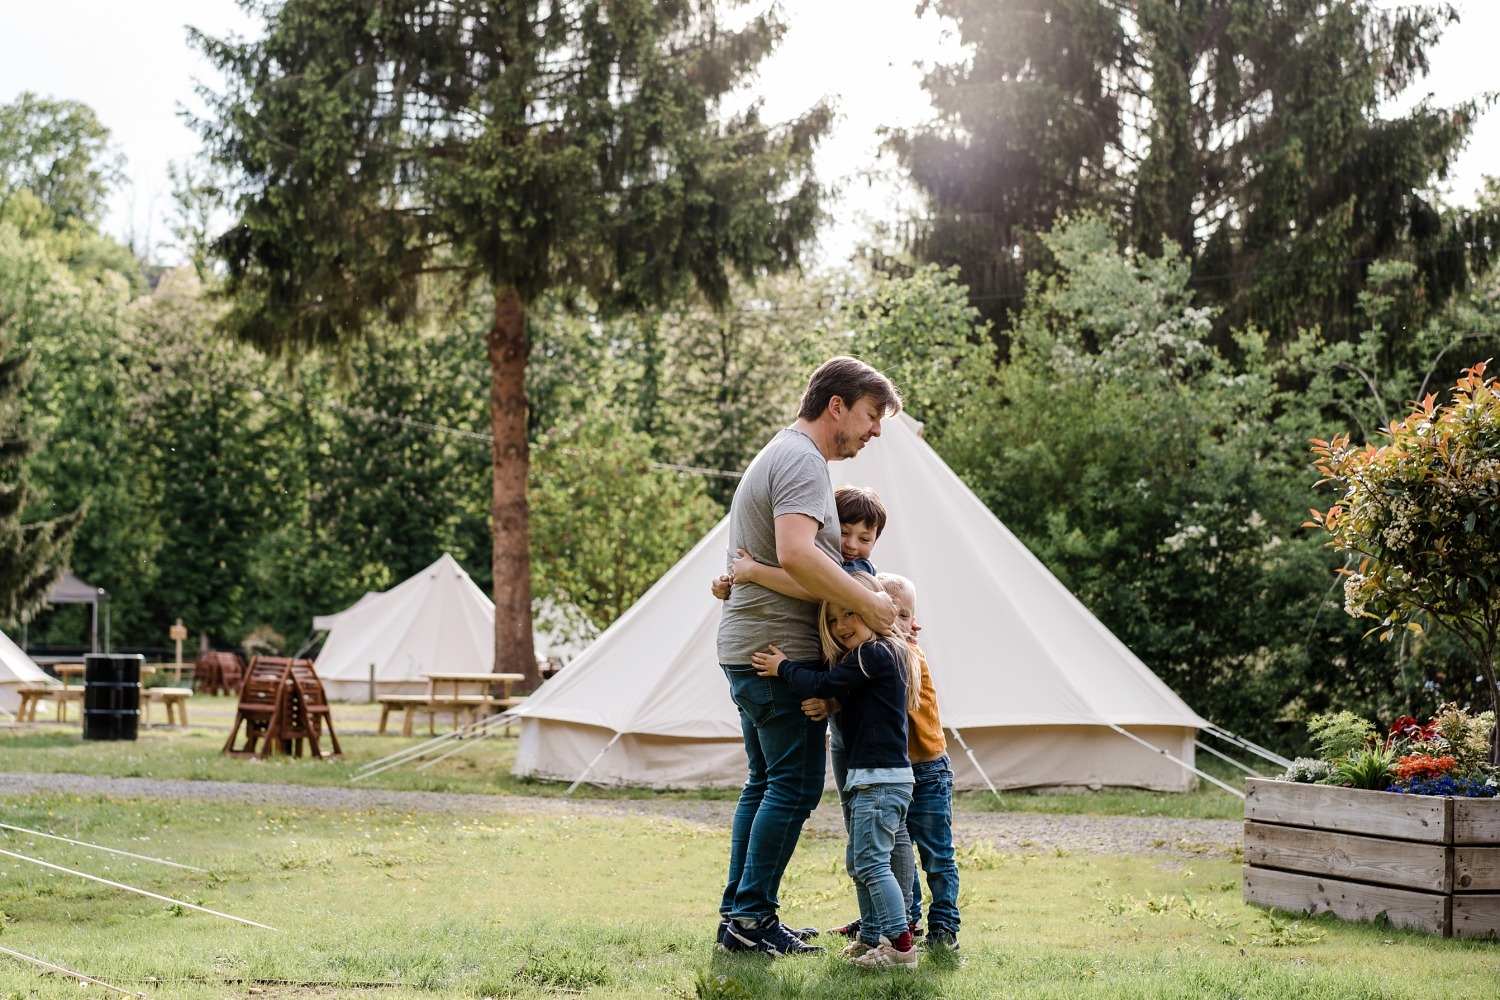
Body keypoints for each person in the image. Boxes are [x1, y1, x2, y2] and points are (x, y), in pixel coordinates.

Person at [715, 357, 901, 956]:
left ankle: (742, 916)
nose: (875, 432)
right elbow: (799, 556)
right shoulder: (801, 458)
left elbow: (793, 565)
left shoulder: (783, 454)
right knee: (791, 791)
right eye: (872, 416)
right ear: (838, 405)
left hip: (750, 646)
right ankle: (750, 921)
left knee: (764, 784)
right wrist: (869, 604)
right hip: (774, 652)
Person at [718, 486, 919, 940]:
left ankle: (897, 923)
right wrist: (731, 580)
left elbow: (809, 583)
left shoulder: (851, 575)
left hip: (835, 699)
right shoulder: (822, 555)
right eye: (843, 533)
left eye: (863, 537)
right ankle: (748, 915)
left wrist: (753, 571)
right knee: (791, 794)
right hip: (818, 692)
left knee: (872, 830)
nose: (850, 544)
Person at [752, 572, 921, 968]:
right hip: (885, 779)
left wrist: (783, 667)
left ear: (873, 609)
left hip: (878, 781)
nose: (841, 625)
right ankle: (874, 937)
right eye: (831, 620)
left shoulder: (873, 653)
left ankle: (899, 947)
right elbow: (845, 696)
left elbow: (822, 682)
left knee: (870, 862)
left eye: (850, 614)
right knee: (871, 860)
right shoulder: (882, 655)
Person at [877, 572, 961, 952]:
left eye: (905, 615)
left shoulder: (910, 655)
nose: (900, 622)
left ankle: (945, 928)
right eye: (890, 613)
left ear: (915, 623)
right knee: (900, 856)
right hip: (895, 773)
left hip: (928, 770)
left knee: (937, 855)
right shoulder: (875, 656)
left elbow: (904, 697)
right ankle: (906, 922)